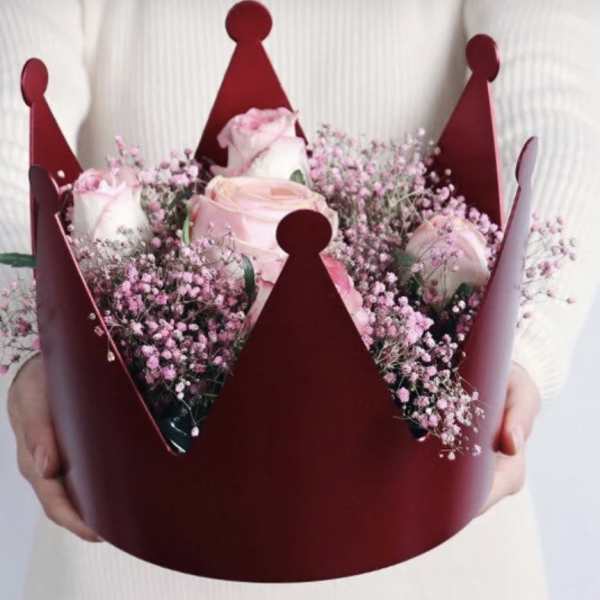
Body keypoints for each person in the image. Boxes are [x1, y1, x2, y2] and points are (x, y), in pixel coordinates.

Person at [2, 1, 599, 598]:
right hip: (123, 541)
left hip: (443, 543)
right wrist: (31, 346)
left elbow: (559, 116)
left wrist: (518, 346)